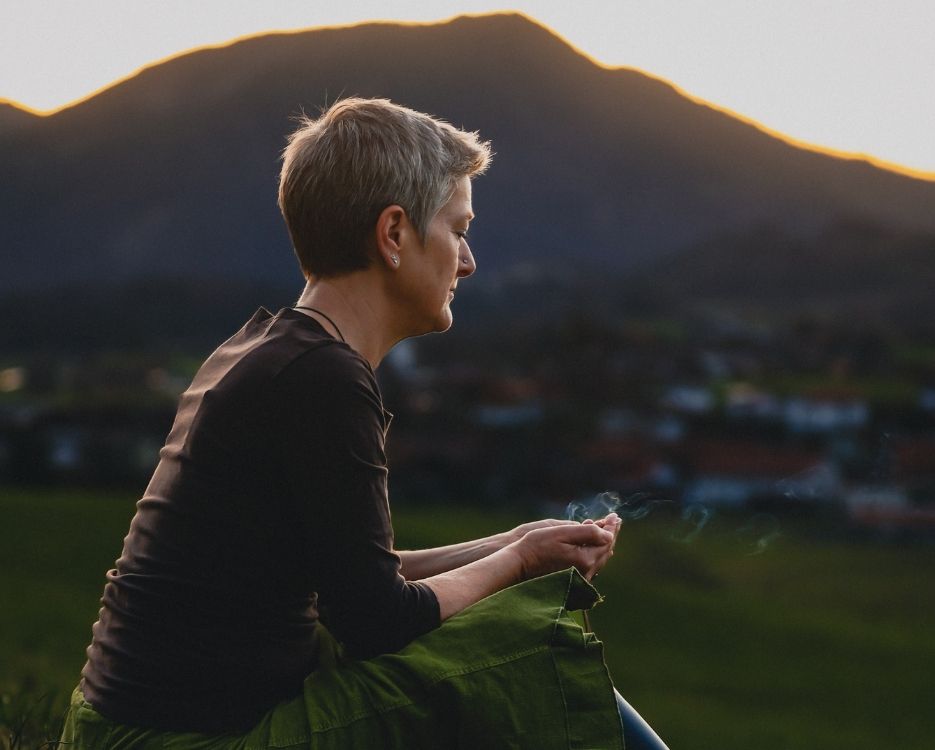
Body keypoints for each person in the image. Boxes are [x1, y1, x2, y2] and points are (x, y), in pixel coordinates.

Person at [62, 98, 668, 749]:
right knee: (529, 653)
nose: (468, 261)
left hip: (124, 727)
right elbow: (379, 620)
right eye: (459, 230)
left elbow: (353, 580)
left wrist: (519, 542)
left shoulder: (265, 351)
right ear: (394, 234)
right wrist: (519, 563)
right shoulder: (323, 379)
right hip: (187, 740)